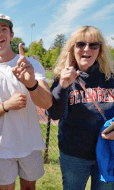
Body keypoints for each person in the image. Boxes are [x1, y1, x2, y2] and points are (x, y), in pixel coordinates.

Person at [0, 13, 53, 190]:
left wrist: (31, 83)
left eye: (4, 29)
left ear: (11, 34)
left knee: (29, 188)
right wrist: (6, 106)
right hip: (1, 148)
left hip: (30, 145)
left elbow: (47, 103)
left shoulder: (30, 64)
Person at [46, 26, 114, 190]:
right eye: (81, 44)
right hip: (73, 155)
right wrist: (63, 85)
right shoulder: (62, 77)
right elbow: (54, 114)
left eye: (93, 45)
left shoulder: (110, 77)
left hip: (107, 152)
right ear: (72, 49)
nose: (86, 49)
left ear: (100, 50)